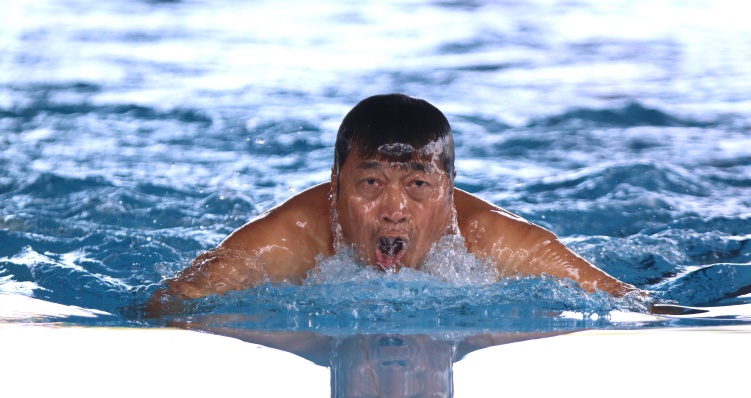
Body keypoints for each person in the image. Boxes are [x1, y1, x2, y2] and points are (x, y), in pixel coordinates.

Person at [146, 94, 640, 315]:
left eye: (418, 185)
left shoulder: (503, 241)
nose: (394, 209)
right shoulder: (289, 237)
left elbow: (635, 306)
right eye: (371, 182)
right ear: (335, 189)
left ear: (449, 194)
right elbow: (164, 306)